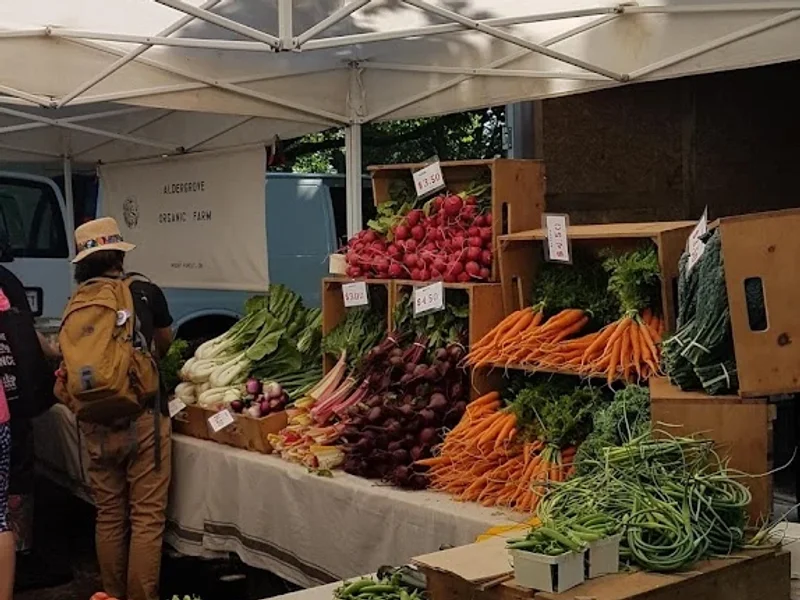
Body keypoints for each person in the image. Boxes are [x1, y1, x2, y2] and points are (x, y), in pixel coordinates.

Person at [56, 217, 174, 600]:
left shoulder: (76, 302)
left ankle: (110, 595)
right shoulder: (143, 291)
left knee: (108, 514)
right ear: (119, 254)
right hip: (142, 417)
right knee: (146, 518)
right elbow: (164, 344)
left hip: (93, 420)